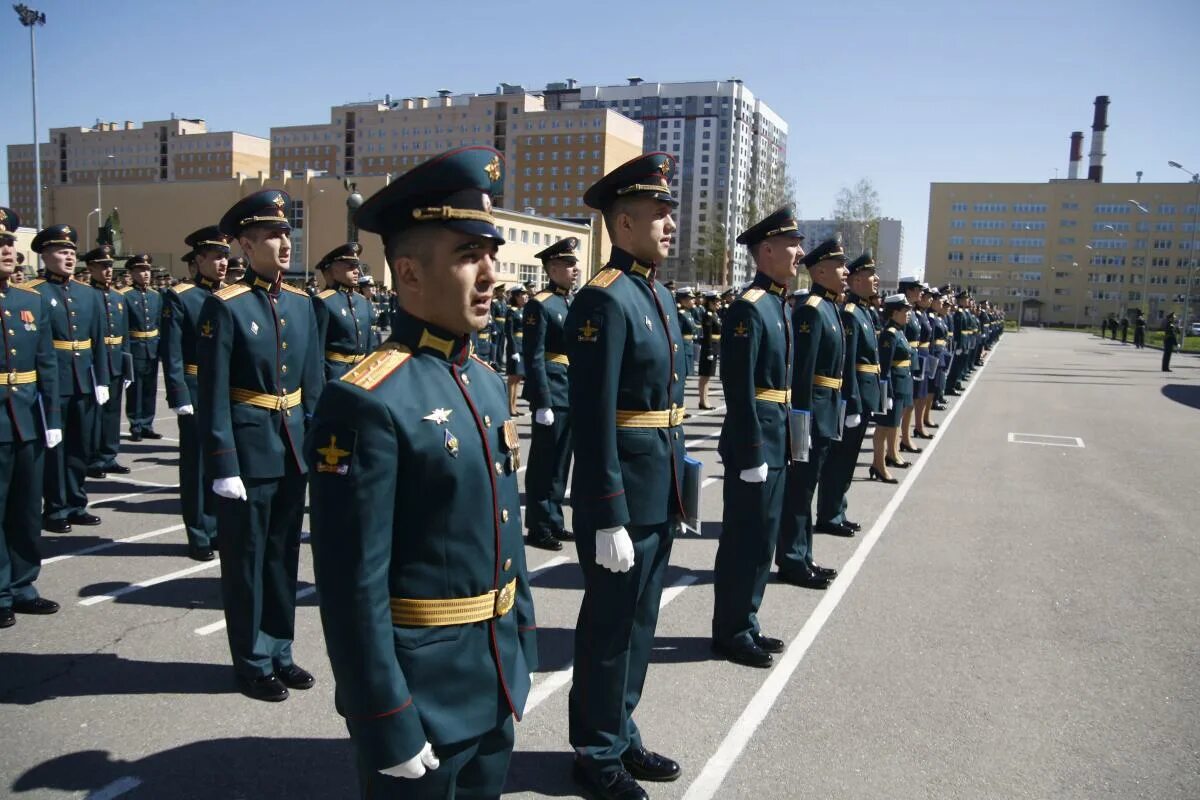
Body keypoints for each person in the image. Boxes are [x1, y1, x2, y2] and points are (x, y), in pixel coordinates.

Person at [307, 145, 536, 798]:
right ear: (408, 274)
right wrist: (383, 717)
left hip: (493, 678)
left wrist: (520, 644)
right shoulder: (366, 399)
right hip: (422, 698)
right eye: (469, 256)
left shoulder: (488, 384)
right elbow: (352, 585)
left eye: (491, 254)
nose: (491, 273)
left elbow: (505, 534)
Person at [565, 152, 688, 800]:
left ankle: (620, 730)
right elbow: (592, 416)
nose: (672, 223)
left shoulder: (658, 294)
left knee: (640, 625)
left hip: (656, 488)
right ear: (623, 220)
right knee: (610, 630)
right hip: (622, 497)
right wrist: (607, 510)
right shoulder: (602, 299)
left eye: (672, 212)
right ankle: (594, 751)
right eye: (660, 213)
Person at [197, 191, 322, 701]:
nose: (284, 241)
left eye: (286, 233)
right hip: (249, 454)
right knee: (246, 562)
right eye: (271, 235)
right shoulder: (224, 306)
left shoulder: (300, 303)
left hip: (291, 447)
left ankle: (280, 650)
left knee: (281, 557)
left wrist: (319, 448)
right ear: (245, 246)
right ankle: (250, 660)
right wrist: (222, 462)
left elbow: (313, 385)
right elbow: (213, 394)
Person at [711, 207, 804, 670]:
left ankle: (745, 621)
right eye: (792, 245)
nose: (799, 253)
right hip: (756, 442)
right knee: (745, 541)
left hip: (776, 435)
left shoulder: (778, 304)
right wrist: (750, 450)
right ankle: (731, 631)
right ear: (766, 250)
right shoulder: (749, 307)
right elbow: (739, 385)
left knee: (763, 539)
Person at [0, 207, 62, 627]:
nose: (7, 249)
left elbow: (47, 365)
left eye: (8, 241)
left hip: (27, 419)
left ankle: (23, 585)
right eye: (0, 243)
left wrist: (52, 418)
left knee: (25, 509)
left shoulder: (29, 301)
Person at [774, 239, 847, 591]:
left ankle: (803, 556)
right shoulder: (812, 310)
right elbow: (802, 375)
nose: (845, 272)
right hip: (810, 413)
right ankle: (792, 558)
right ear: (819, 271)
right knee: (800, 492)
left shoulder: (830, 308)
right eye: (840, 266)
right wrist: (799, 424)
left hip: (826, 409)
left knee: (808, 489)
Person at [28, 224, 110, 534]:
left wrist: (101, 379)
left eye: (72, 251)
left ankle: (77, 502)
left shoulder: (87, 293)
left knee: (80, 447)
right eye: (62, 251)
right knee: (55, 448)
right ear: (45, 255)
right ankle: (55, 508)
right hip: (53, 382)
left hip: (83, 380)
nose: (69, 256)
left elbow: (99, 339)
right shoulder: (35, 293)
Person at [162, 231, 227, 561]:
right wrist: (179, 393)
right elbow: (172, 351)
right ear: (199, 260)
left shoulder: (231, 296)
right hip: (197, 385)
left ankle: (217, 527)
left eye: (225, 256)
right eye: (215, 257)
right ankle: (199, 532)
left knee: (222, 460)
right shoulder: (181, 296)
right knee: (197, 464)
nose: (222, 263)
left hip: (226, 389)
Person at [816, 250, 882, 537]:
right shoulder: (851, 314)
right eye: (870, 275)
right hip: (851, 398)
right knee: (839, 460)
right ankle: (829, 514)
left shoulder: (864, 312)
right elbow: (849, 364)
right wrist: (852, 403)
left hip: (865, 396)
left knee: (849, 459)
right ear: (855, 280)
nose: (876, 279)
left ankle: (838, 509)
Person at [523, 236, 580, 551]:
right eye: (569, 264)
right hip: (552, 392)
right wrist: (541, 400)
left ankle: (554, 520)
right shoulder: (540, 304)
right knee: (544, 463)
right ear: (552, 267)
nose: (575, 269)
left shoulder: (569, 302)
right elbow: (534, 356)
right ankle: (538, 525)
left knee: (561, 463)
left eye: (575, 264)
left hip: (569, 391)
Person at [82, 244, 132, 479]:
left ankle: (109, 455)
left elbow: (125, 334)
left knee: (112, 412)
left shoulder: (117, 297)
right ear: (91, 268)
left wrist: (127, 366)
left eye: (110, 266)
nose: (108, 270)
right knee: (95, 414)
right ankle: (93, 459)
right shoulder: (86, 295)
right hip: (95, 362)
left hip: (115, 360)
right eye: (103, 266)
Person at [869, 294, 915, 483]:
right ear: (895, 312)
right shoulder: (888, 334)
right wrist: (884, 392)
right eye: (905, 311)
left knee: (893, 424)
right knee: (883, 426)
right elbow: (884, 367)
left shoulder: (899, 332)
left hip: (902, 382)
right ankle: (878, 465)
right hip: (893, 385)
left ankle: (888, 457)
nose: (908, 314)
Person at [312, 242, 372, 381]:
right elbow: (316, 352)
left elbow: (370, 345)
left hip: (363, 373)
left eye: (357, 266)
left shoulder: (363, 301)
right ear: (335, 270)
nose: (357, 271)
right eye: (350, 267)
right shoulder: (323, 302)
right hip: (335, 374)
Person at [123, 254, 163, 441]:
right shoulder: (125, 296)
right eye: (140, 270)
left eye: (147, 270)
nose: (145, 274)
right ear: (131, 273)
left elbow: (159, 323)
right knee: (135, 389)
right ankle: (136, 425)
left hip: (152, 347)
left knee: (150, 388)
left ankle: (148, 423)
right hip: (135, 347)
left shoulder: (156, 296)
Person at [505, 286, 527, 415]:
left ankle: (514, 406)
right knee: (512, 379)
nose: (525, 297)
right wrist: (514, 351)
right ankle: (510, 408)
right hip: (515, 348)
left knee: (518, 379)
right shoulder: (511, 312)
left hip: (523, 346)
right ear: (516, 297)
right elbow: (509, 333)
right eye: (522, 295)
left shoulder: (522, 311)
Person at [697, 291, 722, 408]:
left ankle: (705, 400)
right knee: (705, 376)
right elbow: (707, 335)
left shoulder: (714, 314)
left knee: (708, 376)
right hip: (709, 348)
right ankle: (703, 400)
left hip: (715, 347)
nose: (719, 303)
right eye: (716, 301)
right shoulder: (708, 315)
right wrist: (710, 350)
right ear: (710, 302)